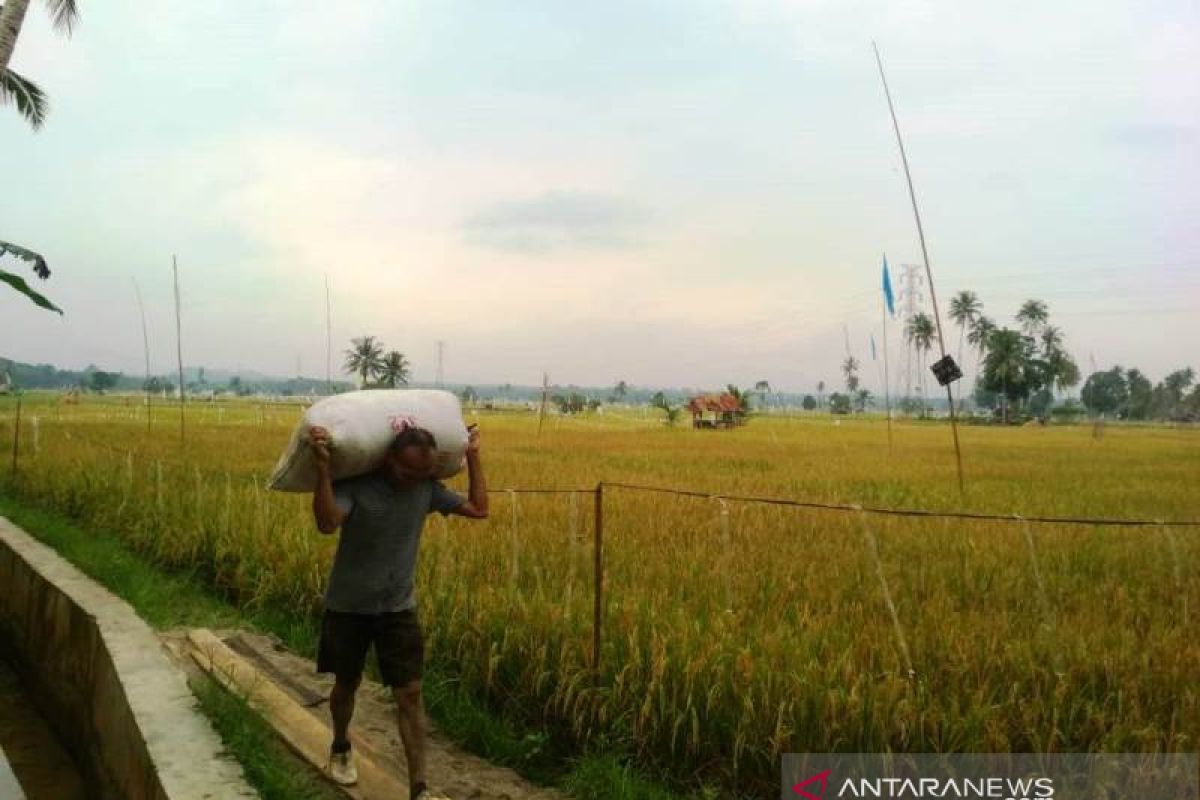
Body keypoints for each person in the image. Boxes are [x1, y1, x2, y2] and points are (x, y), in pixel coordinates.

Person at [309, 422, 488, 800]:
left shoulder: (425, 489)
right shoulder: (356, 485)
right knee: (347, 683)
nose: (411, 480)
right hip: (349, 606)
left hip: (398, 608)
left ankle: (419, 788)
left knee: (410, 694)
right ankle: (340, 745)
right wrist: (323, 469)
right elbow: (327, 523)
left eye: (420, 474)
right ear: (389, 459)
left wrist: (473, 457)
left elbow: (478, 509)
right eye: (406, 472)